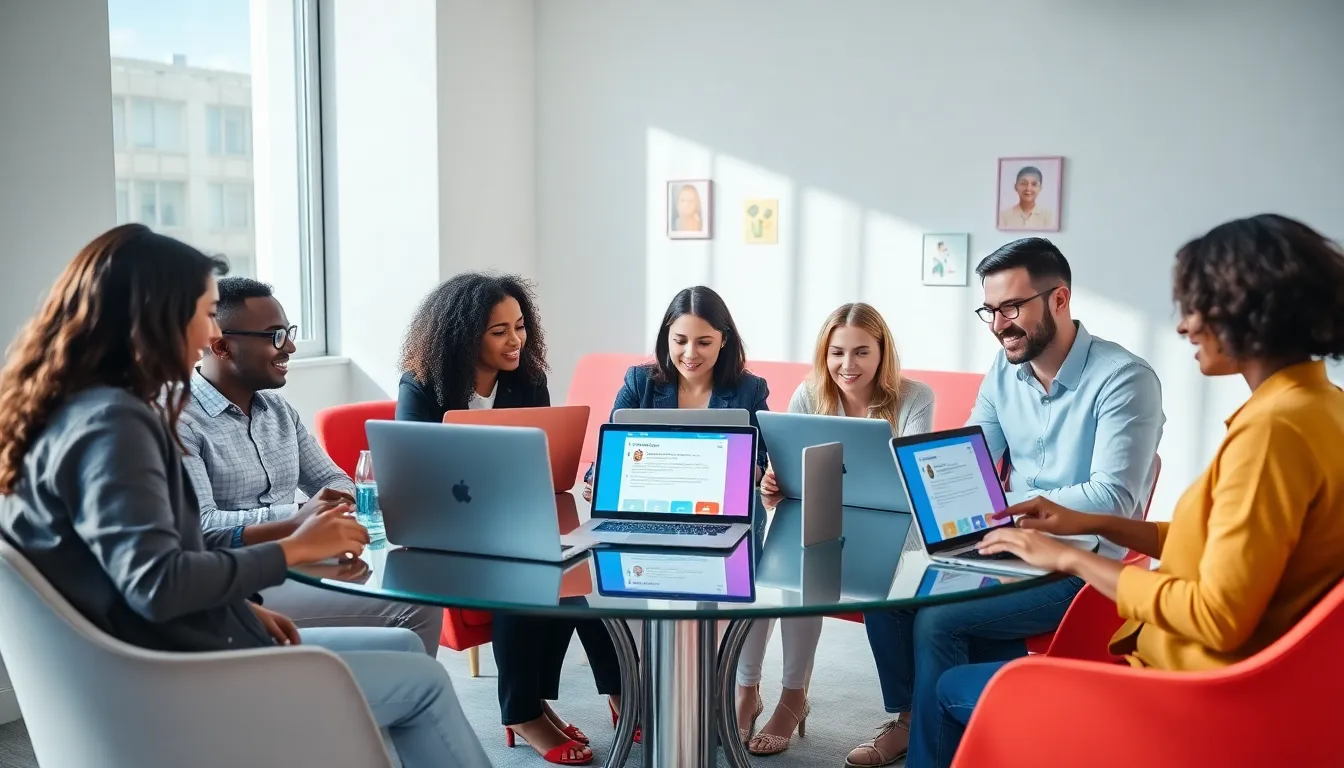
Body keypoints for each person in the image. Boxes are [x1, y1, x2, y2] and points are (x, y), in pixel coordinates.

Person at [0, 224, 489, 767]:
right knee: (421, 681)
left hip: (182, 646)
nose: (210, 332)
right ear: (160, 315)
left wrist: (242, 609)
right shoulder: (117, 425)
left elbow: (135, 567)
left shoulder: (82, 412)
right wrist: (293, 549)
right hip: (180, 680)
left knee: (402, 649)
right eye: (207, 312)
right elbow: (157, 584)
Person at [933, 214, 1344, 767]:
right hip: (1237, 676)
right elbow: (1222, 546)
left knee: (954, 686)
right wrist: (1093, 522)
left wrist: (1068, 559)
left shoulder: (1272, 433)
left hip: (1192, 689)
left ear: (1253, 310)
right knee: (969, 638)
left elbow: (1215, 614)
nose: (1184, 326)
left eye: (1196, 306)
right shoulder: (1322, 407)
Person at [847, 238, 1165, 767]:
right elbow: (970, 464)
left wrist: (995, 502)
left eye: (1012, 308)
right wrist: (918, 480)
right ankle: (921, 722)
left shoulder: (1124, 380)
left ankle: (936, 753)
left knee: (938, 620)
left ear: (1059, 299)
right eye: (990, 310)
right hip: (1004, 544)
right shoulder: (1003, 370)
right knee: (889, 587)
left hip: (1083, 565)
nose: (999, 325)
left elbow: (1114, 497)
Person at [398, 272, 622, 765]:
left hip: (513, 521)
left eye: (520, 326)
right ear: (464, 336)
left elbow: (539, 464)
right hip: (444, 532)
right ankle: (533, 710)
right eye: (499, 331)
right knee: (527, 574)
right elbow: (413, 473)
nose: (516, 340)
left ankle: (573, 697)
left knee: (575, 570)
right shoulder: (422, 385)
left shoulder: (529, 380)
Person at [177, 276, 442, 655]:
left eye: (288, 332)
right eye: (275, 336)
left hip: (305, 559)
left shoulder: (279, 410)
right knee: (414, 606)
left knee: (415, 589)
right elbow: (201, 524)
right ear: (221, 346)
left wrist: (330, 505)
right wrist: (299, 514)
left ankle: (378, 701)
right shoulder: (180, 420)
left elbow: (334, 479)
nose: (291, 346)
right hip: (240, 579)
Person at [738, 303, 935, 756]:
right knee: (777, 575)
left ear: (883, 353)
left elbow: (911, 483)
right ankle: (760, 691)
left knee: (820, 571)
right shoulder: (809, 395)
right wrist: (774, 483)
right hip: (819, 526)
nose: (848, 365)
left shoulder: (915, 397)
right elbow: (787, 483)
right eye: (837, 353)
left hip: (892, 534)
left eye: (862, 352)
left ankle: (793, 701)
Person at [583, 284, 769, 497]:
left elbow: (762, 460)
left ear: (723, 340)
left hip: (715, 505)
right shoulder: (640, 382)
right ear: (667, 338)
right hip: (649, 505)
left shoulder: (750, 389)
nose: (690, 354)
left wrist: (748, 472)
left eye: (704, 343)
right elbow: (608, 450)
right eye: (680, 341)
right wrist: (598, 475)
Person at [997, 166, 1055, 231]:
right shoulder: (1003, 216)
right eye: (1023, 183)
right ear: (1016, 187)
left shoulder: (1048, 216)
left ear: (1040, 188)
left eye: (1034, 184)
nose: (1028, 188)